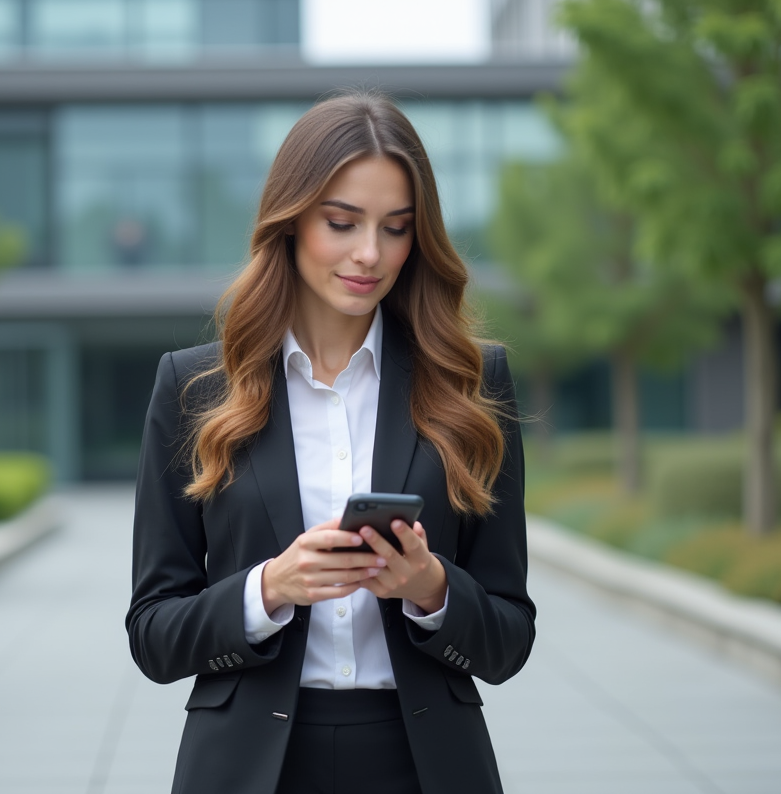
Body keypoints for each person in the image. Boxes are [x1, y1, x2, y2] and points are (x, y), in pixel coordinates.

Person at [127, 91, 536, 794]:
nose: (370, 254)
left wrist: (431, 588)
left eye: (396, 228)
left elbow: (508, 636)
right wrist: (271, 588)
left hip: (427, 764)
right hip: (249, 767)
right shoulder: (194, 390)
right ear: (289, 221)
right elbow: (154, 635)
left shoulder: (471, 383)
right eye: (342, 223)